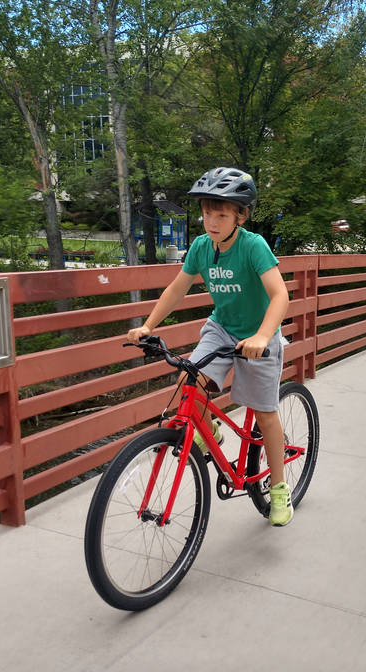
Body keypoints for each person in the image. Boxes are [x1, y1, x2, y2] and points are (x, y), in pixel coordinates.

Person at [126, 167, 293, 526]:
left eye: (221, 214)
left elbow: (280, 295)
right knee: (190, 382)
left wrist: (264, 337)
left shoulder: (253, 246)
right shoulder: (202, 247)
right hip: (222, 328)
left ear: (240, 215)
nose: (211, 222)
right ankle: (210, 432)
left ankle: (279, 489)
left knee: (264, 413)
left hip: (258, 333)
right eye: (206, 214)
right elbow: (177, 288)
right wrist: (149, 325)